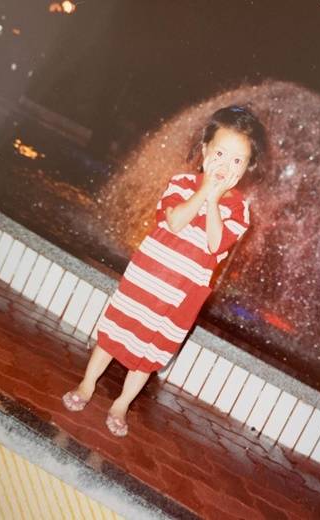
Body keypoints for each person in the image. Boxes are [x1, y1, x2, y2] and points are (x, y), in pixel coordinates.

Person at [62, 105, 267, 436]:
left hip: (181, 297)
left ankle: (122, 403)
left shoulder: (238, 209)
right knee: (114, 333)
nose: (225, 166)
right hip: (146, 279)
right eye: (219, 154)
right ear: (204, 151)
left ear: (247, 167)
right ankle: (87, 384)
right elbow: (175, 221)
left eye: (237, 161)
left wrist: (214, 202)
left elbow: (216, 244)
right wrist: (205, 191)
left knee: (150, 351)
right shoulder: (182, 183)